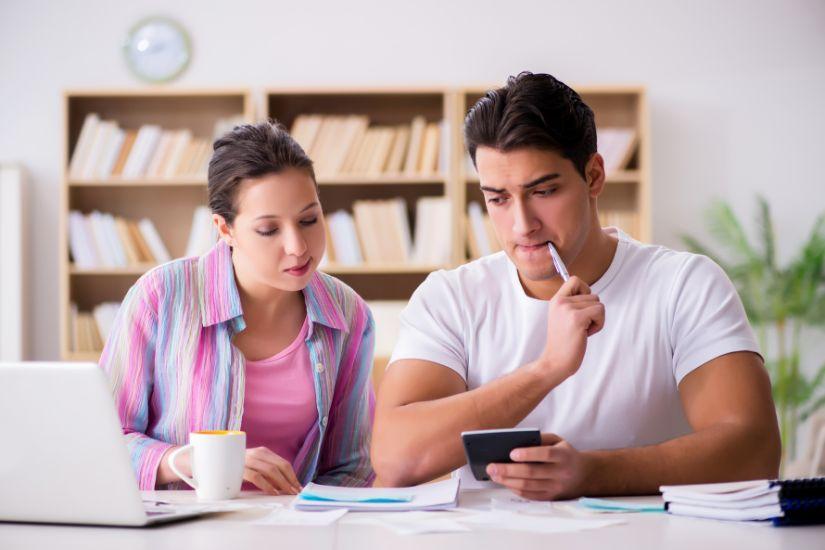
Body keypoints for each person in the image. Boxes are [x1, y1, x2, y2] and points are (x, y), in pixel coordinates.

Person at [371, 72, 781, 499]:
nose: (522, 224)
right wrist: (547, 369)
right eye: (498, 198)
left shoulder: (685, 286)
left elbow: (754, 450)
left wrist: (592, 473)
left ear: (594, 177)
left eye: (544, 191)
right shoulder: (450, 298)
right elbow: (396, 460)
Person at [101, 121, 375, 493]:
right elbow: (103, 439)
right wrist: (188, 460)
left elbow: (351, 467)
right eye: (269, 230)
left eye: (309, 220)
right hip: (179, 532)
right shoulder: (161, 297)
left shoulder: (349, 315)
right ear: (224, 229)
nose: (298, 246)